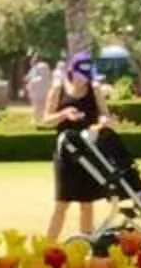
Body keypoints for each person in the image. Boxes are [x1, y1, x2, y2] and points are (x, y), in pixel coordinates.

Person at [44, 52, 105, 240]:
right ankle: (47, 246)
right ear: (72, 71)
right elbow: (46, 120)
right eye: (80, 76)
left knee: (87, 204)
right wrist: (64, 114)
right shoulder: (58, 89)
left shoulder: (94, 90)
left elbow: (105, 114)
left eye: (87, 76)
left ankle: (87, 244)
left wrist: (102, 124)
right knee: (61, 203)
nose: (83, 81)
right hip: (65, 153)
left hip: (88, 151)